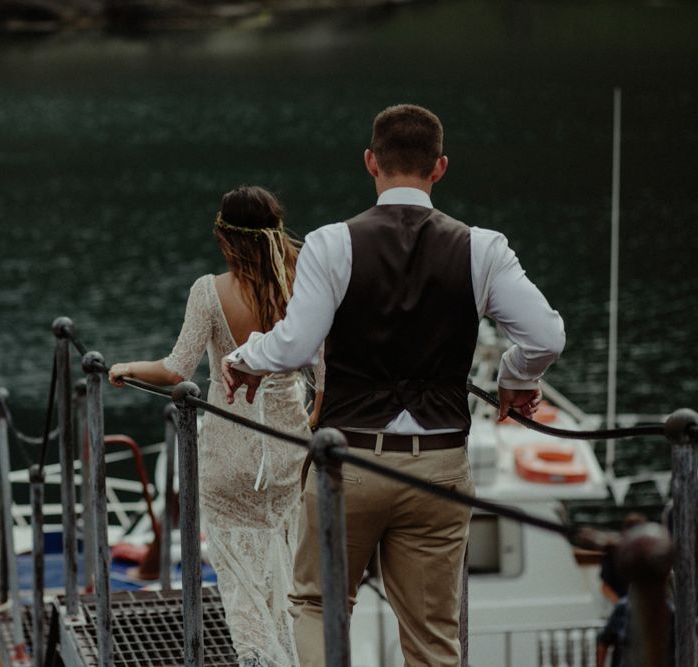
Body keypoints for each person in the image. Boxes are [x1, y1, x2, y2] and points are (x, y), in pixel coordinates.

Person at [222, 104, 565, 666]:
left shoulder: (333, 244)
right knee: (432, 639)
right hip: (439, 466)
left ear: (370, 162)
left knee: (317, 605)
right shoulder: (483, 248)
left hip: (350, 462)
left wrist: (243, 357)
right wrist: (514, 379)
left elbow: (294, 346)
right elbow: (546, 337)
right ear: (440, 168)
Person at [108, 185, 323, 667]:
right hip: (290, 450)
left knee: (238, 577)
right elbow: (327, 372)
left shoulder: (209, 291)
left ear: (224, 238)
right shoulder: (303, 286)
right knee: (285, 567)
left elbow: (176, 370)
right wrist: (310, 426)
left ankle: (258, 657)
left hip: (228, 449)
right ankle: (294, 656)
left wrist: (126, 368)